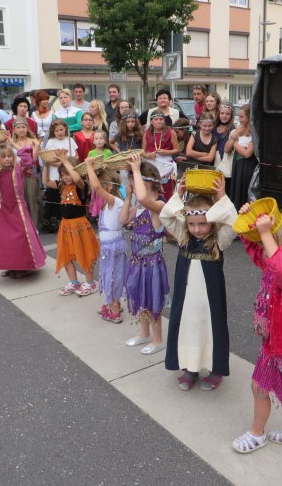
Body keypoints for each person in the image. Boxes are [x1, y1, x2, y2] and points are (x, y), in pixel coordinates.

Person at [232, 206, 282, 453]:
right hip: (275, 340)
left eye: (271, 244)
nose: (266, 252)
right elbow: (256, 249)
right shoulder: (272, 262)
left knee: (259, 386)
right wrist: (250, 224)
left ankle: (257, 434)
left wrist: (267, 235)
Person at [160, 175, 237, 391]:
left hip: (209, 302)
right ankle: (190, 367)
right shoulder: (184, 237)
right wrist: (179, 194)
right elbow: (167, 216)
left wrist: (221, 198)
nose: (197, 229)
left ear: (212, 221)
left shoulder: (219, 241)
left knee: (211, 329)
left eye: (203, 224)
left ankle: (215, 370)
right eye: (192, 224)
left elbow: (234, 223)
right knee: (188, 329)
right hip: (187, 303)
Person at [120, 154, 169, 355]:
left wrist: (137, 170)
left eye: (133, 181)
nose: (130, 184)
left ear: (145, 181)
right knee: (140, 299)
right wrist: (128, 196)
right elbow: (123, 220)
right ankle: (144, 334)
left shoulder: (156, 206)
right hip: (137, 262)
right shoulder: (139, 206)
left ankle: (158, 340)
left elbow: (143, 196)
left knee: (151, 300)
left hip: (151, 264)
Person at [0, 143, 46, 278]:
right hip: (4, 208)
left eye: (10, 156)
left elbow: (28, 159)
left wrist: (12, 142)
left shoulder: (18, 168)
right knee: (5, 238)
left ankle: (24, 266)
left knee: (22, 236)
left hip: (18, 207)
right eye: (4, 157)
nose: (8, 159)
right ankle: (11, 265)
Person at [85, 157, 128, 323]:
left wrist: (88, 165)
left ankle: (115, 309)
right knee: (107, 275)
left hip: (113, 247)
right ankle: (111, 303)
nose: (96, 190)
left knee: (113, 277)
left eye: (101, 188)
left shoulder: (115, 201)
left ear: (109, 187)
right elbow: (95, 185)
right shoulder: (107, 204)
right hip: (108, 247)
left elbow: (95, 186)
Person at [53, 152, 100, 296]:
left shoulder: (82, 186)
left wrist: (64, 160)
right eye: (63, 174)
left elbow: (77, 178)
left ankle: (90, 283)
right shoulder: (62, 186)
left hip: (80, 225)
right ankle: (74, 282)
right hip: (65, 226)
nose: (66, 177)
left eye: (68, 173)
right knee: (65, 254)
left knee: (85, 253)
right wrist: (47, 162)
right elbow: (46, 182)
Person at [7, 118, 41, 228]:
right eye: (18, 127)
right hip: (16, 173)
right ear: (14, 130)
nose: (21, 130)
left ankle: (34, 226)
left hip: (30, 172)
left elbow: (33, 158)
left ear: (27, 128)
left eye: (23, 127)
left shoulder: (34, 142)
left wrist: (13, 144)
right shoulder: (10, 144)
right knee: (20, 200)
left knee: (32, 200)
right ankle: (23, 225)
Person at [142, 109, 179, 201]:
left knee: (167, 190)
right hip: (151, 165)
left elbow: (177, 149)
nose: (159, 121)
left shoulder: (171, 132)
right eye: (156, 119)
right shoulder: (147, 134)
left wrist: (167, 152)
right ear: (151, 121)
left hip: (166, 165)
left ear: (164, 120)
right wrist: (147, 156)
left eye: (161, 119)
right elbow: (142, 151)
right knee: (152, 188)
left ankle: (167, 208)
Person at [227, 104, 258, 211]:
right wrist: (234, 136)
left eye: (241, 117)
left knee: (245, 192)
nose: (239, 119)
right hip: (237, 165)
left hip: (248, 166)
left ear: (249, 117)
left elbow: (247, 154)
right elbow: (227, 149)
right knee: (236, 192)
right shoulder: (235, 131)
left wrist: (234, 142)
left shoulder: (254, 134)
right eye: (238, 116)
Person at [87, 130, 113, 218]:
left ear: (105, 141)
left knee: (107, 193)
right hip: (97, 178)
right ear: (93, 141)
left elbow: (112, 165)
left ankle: (108, 211)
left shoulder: (108, 152)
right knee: (98, 195)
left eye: (101, 138)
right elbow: (89, 166)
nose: (99, 140)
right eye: (96, 139)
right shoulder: (91, 153)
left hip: (107, 177)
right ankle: (98, 212)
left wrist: (107, 166)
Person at [213, 102, 236, 195]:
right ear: (219, 114)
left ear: (231, 115)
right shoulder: (213, 128)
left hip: (225, 164)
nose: (224, 116)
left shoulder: (232, 130)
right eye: (222, 113)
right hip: (213, 161)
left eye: (227, 114)